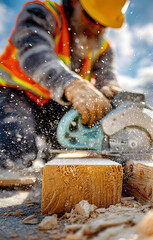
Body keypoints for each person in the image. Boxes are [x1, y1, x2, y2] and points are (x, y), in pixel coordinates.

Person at [0, 0, 129, 169]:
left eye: (103, 24)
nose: (96, 27)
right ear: (75, 3)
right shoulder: (43, 14)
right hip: (15, 94)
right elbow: (34, 53)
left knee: (70, 151)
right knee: (15, 148)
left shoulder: (104, 48)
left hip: (58, 103)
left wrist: (111, 92)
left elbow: (108, 79)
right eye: (91, 18)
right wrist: (72, 85)